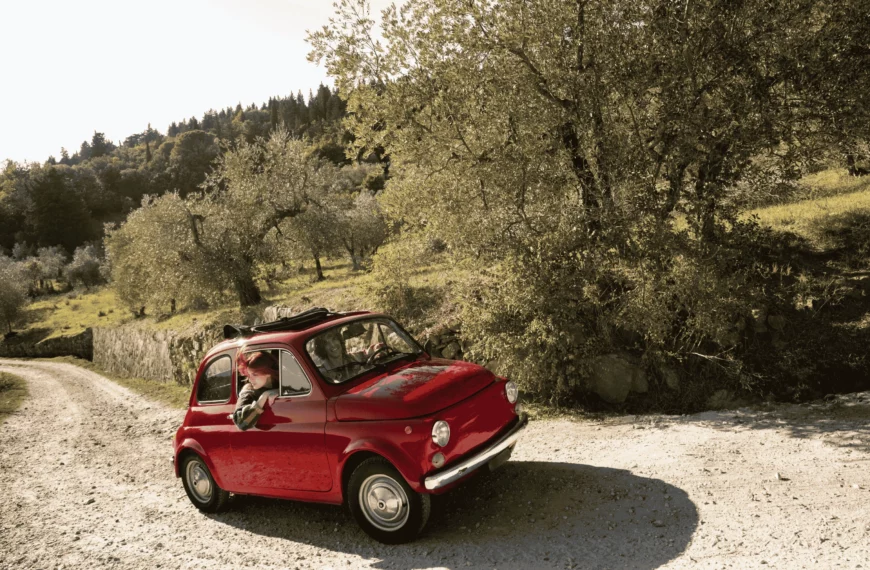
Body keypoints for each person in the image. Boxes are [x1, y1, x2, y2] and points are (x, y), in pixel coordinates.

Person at [232, 350, 279, 431]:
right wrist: (264, 397)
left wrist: (278, 391)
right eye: (249, 375)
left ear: (268, 373)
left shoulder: (279, 382)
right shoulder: (248, 391)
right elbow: (242, 423)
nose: (250, 379)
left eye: (255, 374)